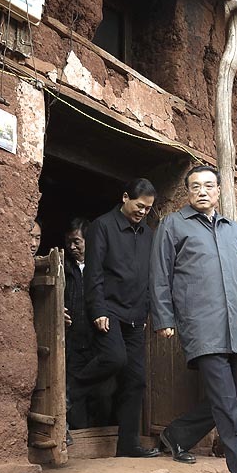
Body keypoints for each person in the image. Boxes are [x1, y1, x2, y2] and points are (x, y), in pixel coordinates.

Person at [149, 164, 237, 473]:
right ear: (188, 192)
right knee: (227, 406)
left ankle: (177, 434)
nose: (202, 191)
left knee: (234, 396)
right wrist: (164, 317)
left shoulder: (234, 230)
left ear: (218, 191)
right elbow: (160, 275)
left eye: (208, 186)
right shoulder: (173, 225)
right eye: (195, 186)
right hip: (201, 325)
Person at [74, 178, 160, 458]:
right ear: (125, 197)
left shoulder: (148, 234)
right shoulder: (102, 226)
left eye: (148, 209)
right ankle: (70, 391)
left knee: (136, 380)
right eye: (139, 206)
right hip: (109, 310)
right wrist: (98, 309)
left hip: (136, 315)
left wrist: (146, 310)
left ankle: (128, 444)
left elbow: (150, 275)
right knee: (114, 358)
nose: (143, 212)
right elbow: (94, 272)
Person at [62, 217, 98, 429]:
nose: (72, 247)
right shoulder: (64, 268)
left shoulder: (100, 266)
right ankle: (80, 434)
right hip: (73, 341)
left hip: (97, 341)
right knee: (75, 395)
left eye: (76, 241)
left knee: (102, 394)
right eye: (69, 242)